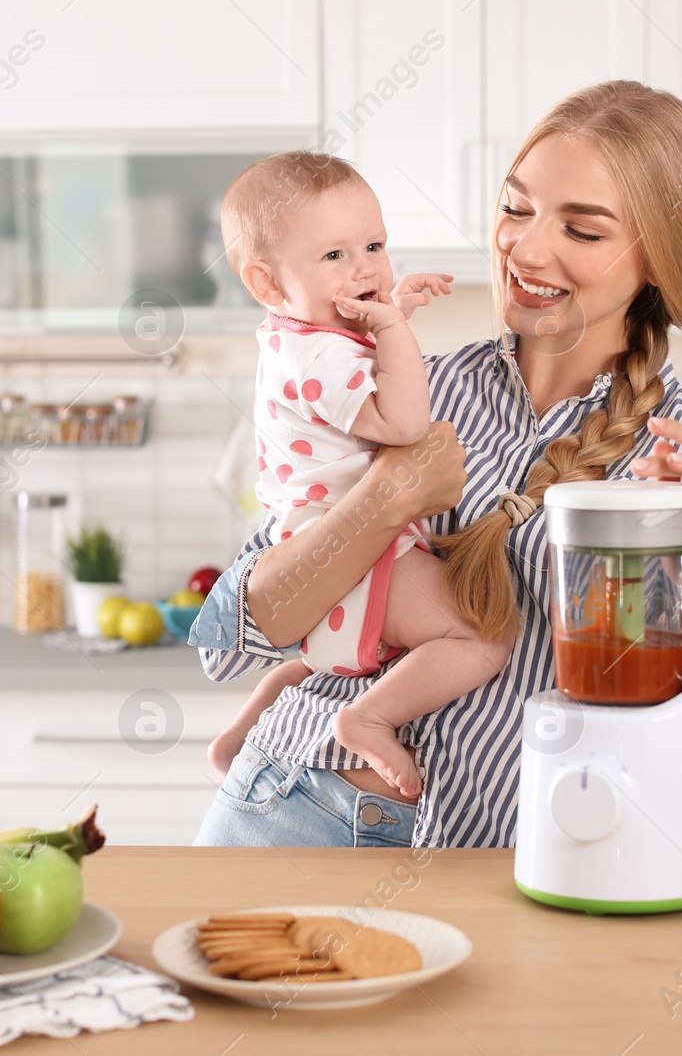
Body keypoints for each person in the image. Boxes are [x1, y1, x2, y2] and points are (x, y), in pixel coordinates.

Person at [189, 80, 682, 849]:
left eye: (582, 231)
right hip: (290, 806)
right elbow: (238, 634)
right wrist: (386, 497)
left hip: (498, 861)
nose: (524, 249)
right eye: (516, 209)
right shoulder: (409, 388)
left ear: (657, 258)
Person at [205, 152, 513, 799]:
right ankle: (368, 715)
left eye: (373, 244)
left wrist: (387, 311)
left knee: (318, 661)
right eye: (335, 256)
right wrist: (395, 323)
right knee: (481, 633)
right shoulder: (318, 353)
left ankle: (240, 733)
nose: (366, 267)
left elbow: (359, 361)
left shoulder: (298, 338)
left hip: (318, 540)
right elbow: (401, 423)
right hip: (361, 551)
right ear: (266, 283)